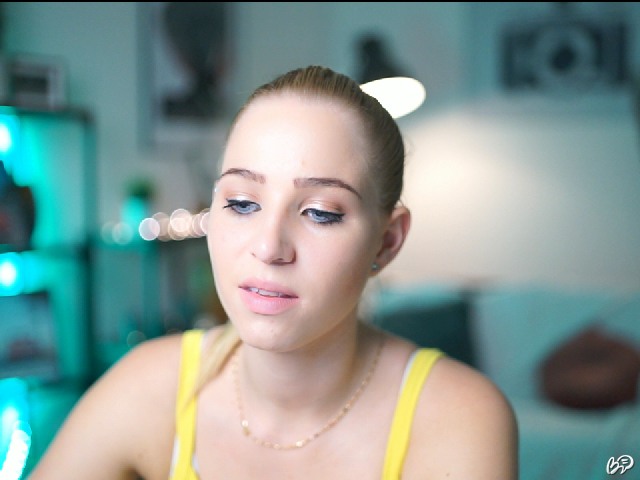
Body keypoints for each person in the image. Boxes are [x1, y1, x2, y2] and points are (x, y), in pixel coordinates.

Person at [28, 66, 518, 480]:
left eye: (321, 213)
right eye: (242, 203)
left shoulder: (457, 418)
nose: (268, 247)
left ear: (386, 241)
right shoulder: (151, 386)